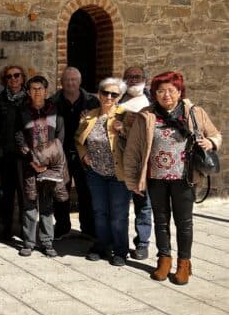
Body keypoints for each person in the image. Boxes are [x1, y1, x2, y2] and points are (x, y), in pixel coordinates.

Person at [124, 71, 221, 285]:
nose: (166, 95)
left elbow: (215, 134)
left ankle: (184, 263)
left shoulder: (193, 112)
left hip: (184, 178)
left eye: (171, 90)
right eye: (161, 91)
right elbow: (132, 151)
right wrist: (133, 181)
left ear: (179, 91)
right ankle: (164, 260)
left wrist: (211, 143)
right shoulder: (146, 115)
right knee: (160, 221)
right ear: (154, 93)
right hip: (156, 178)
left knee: (184, 222)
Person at [75, 78, 131, 266]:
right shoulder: (89, 116)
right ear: (98, 94)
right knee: (99, 212)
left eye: (113, 94)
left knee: (118, 214)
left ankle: (121, 250)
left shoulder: (127, 115)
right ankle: (101, 245)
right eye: (105, 92)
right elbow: (78, 140)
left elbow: (138, 141)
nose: (108, 97)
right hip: (96, 173)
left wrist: (123, 130)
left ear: (120, 96)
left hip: (118, 174)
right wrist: (84, 156)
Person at [15, 75, 65, 258]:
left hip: (49, 165)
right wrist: (31, 157)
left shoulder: (54, 111)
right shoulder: (22, 111)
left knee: (46, 204)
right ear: (28, 91)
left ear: (46, 90)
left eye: (40, 88)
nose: (37, 92)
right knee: (29, 203)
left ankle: (46, 242)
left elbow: (60, 137)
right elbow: (18, 135)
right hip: (28, 163)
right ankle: (28, 242)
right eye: (33, 88)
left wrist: (47, 161)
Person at [50, 67, 99, 240]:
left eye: (73, 80)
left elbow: (100, 126)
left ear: (79, 82)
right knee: (60, 191)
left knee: (86, 191)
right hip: (61, 153)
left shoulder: (92, 102)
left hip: (84, 153)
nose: (70, 83)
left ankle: (88, 227)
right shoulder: (53, 102)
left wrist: (88, 122)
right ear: (61, 82)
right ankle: (62, 226)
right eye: (67, 80)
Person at [119, 66, 152, 260]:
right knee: (120, 205)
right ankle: (119, 242)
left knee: (143, 204)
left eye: (137, 76)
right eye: (129, 77)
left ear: (144, 79)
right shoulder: (117, 99)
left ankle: (142, 243)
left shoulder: (152, 101)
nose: (133, 80)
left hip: (142, 162)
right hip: (121, 161)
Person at [0, 64, 27, 240]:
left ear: (22, 77)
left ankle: (25, 230)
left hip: (23, 155)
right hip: (5, 154)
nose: (13, 79)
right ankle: (6, 228)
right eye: (9, 76)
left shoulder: (29, 99)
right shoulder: (0, 99)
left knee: (24, 194)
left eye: (16, 75)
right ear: (5, 80)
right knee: (6, 193)